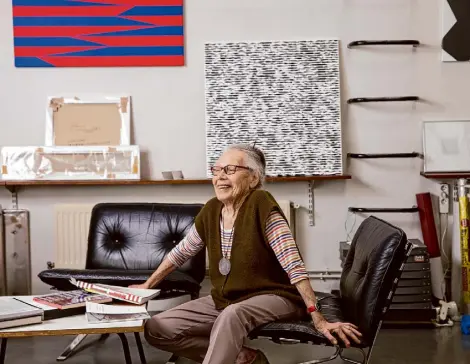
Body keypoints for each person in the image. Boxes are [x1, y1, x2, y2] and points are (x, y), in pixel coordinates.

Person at [130, 144, 362, 364]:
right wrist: (147, 285)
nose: (220, 176)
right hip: (228, 298)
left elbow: (293, 265)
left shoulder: (261, 204)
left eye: (230, 170)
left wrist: (318, 318)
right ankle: (244, 358)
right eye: (217, 169)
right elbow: (180, 253)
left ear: (253, 178)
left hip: (277, 297)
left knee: (232, 315)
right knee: (157, 328)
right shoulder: (211, 210)